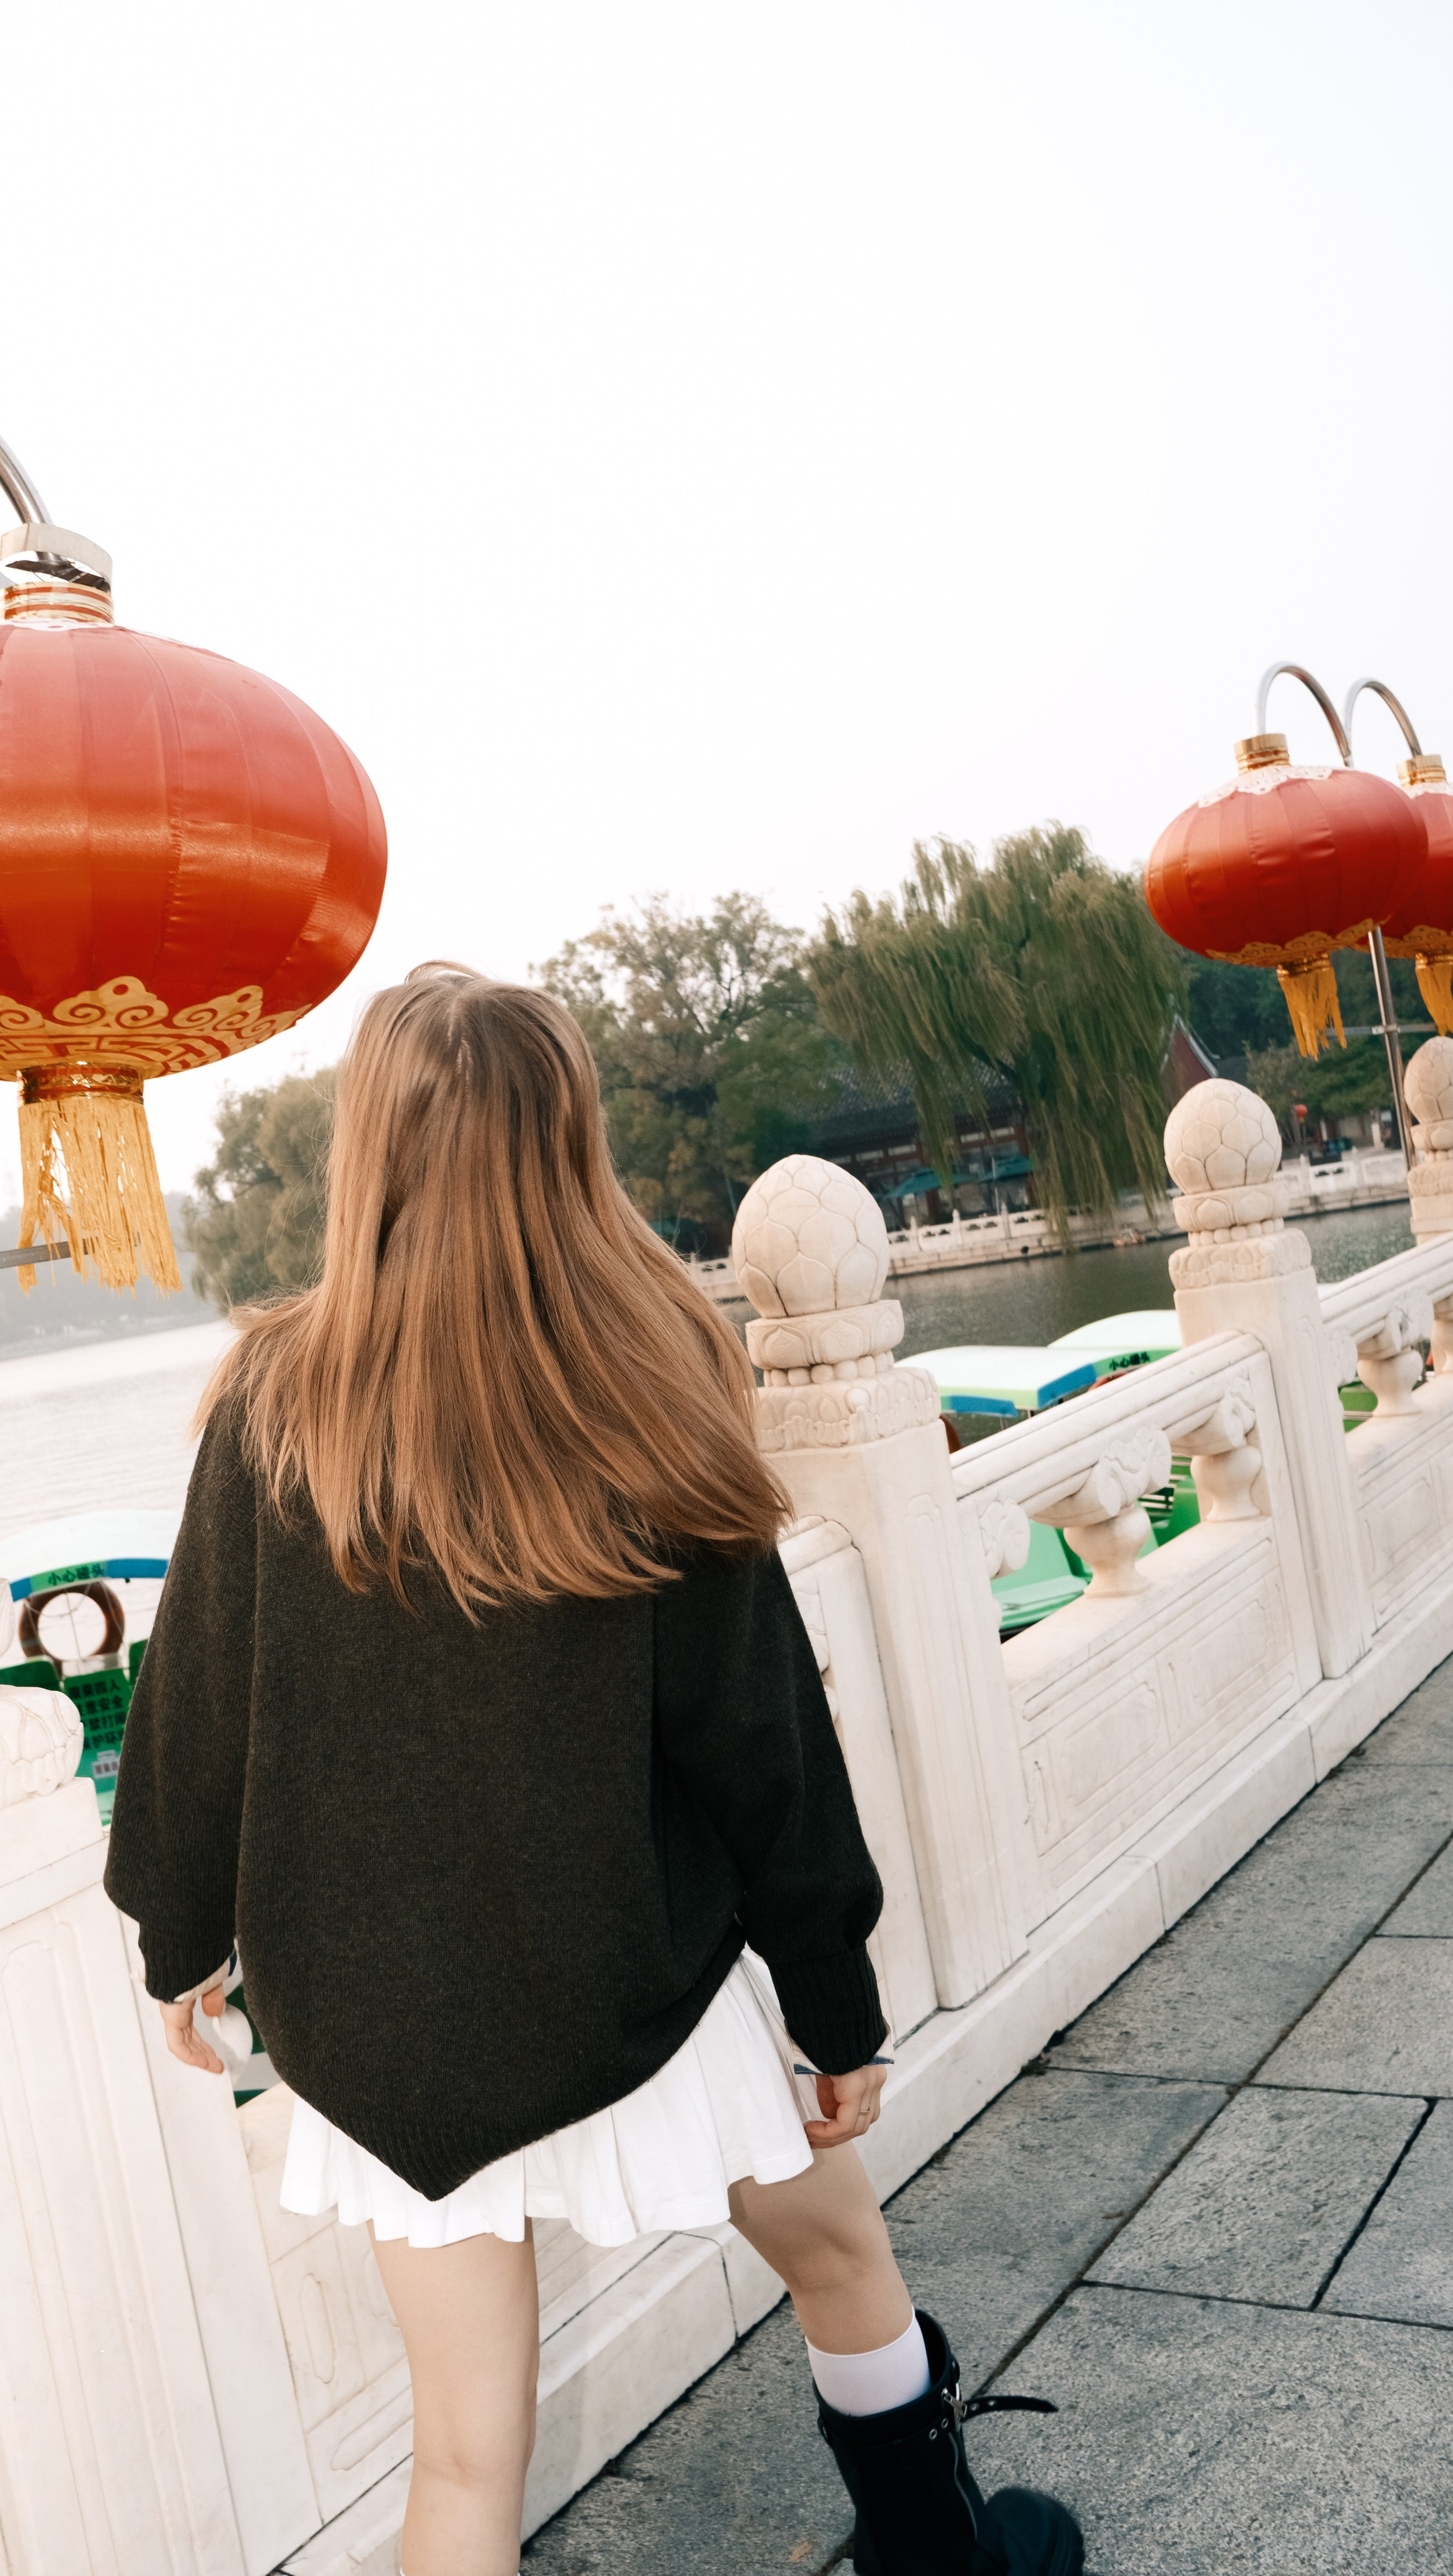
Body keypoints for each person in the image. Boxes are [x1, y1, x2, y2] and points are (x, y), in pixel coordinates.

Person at [105, 967, 1082, 2576]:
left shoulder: (275, 1396)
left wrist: (180, 1939)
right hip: (620, 1979)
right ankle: (936, 2558)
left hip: (382, 2021)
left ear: (367, 1149)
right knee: (840, 2259)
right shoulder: (644, 1377)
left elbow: (195, 1701)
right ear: (569, 1140)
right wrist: (830, 2004)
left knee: (461, 2454)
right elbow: (757, 1740)